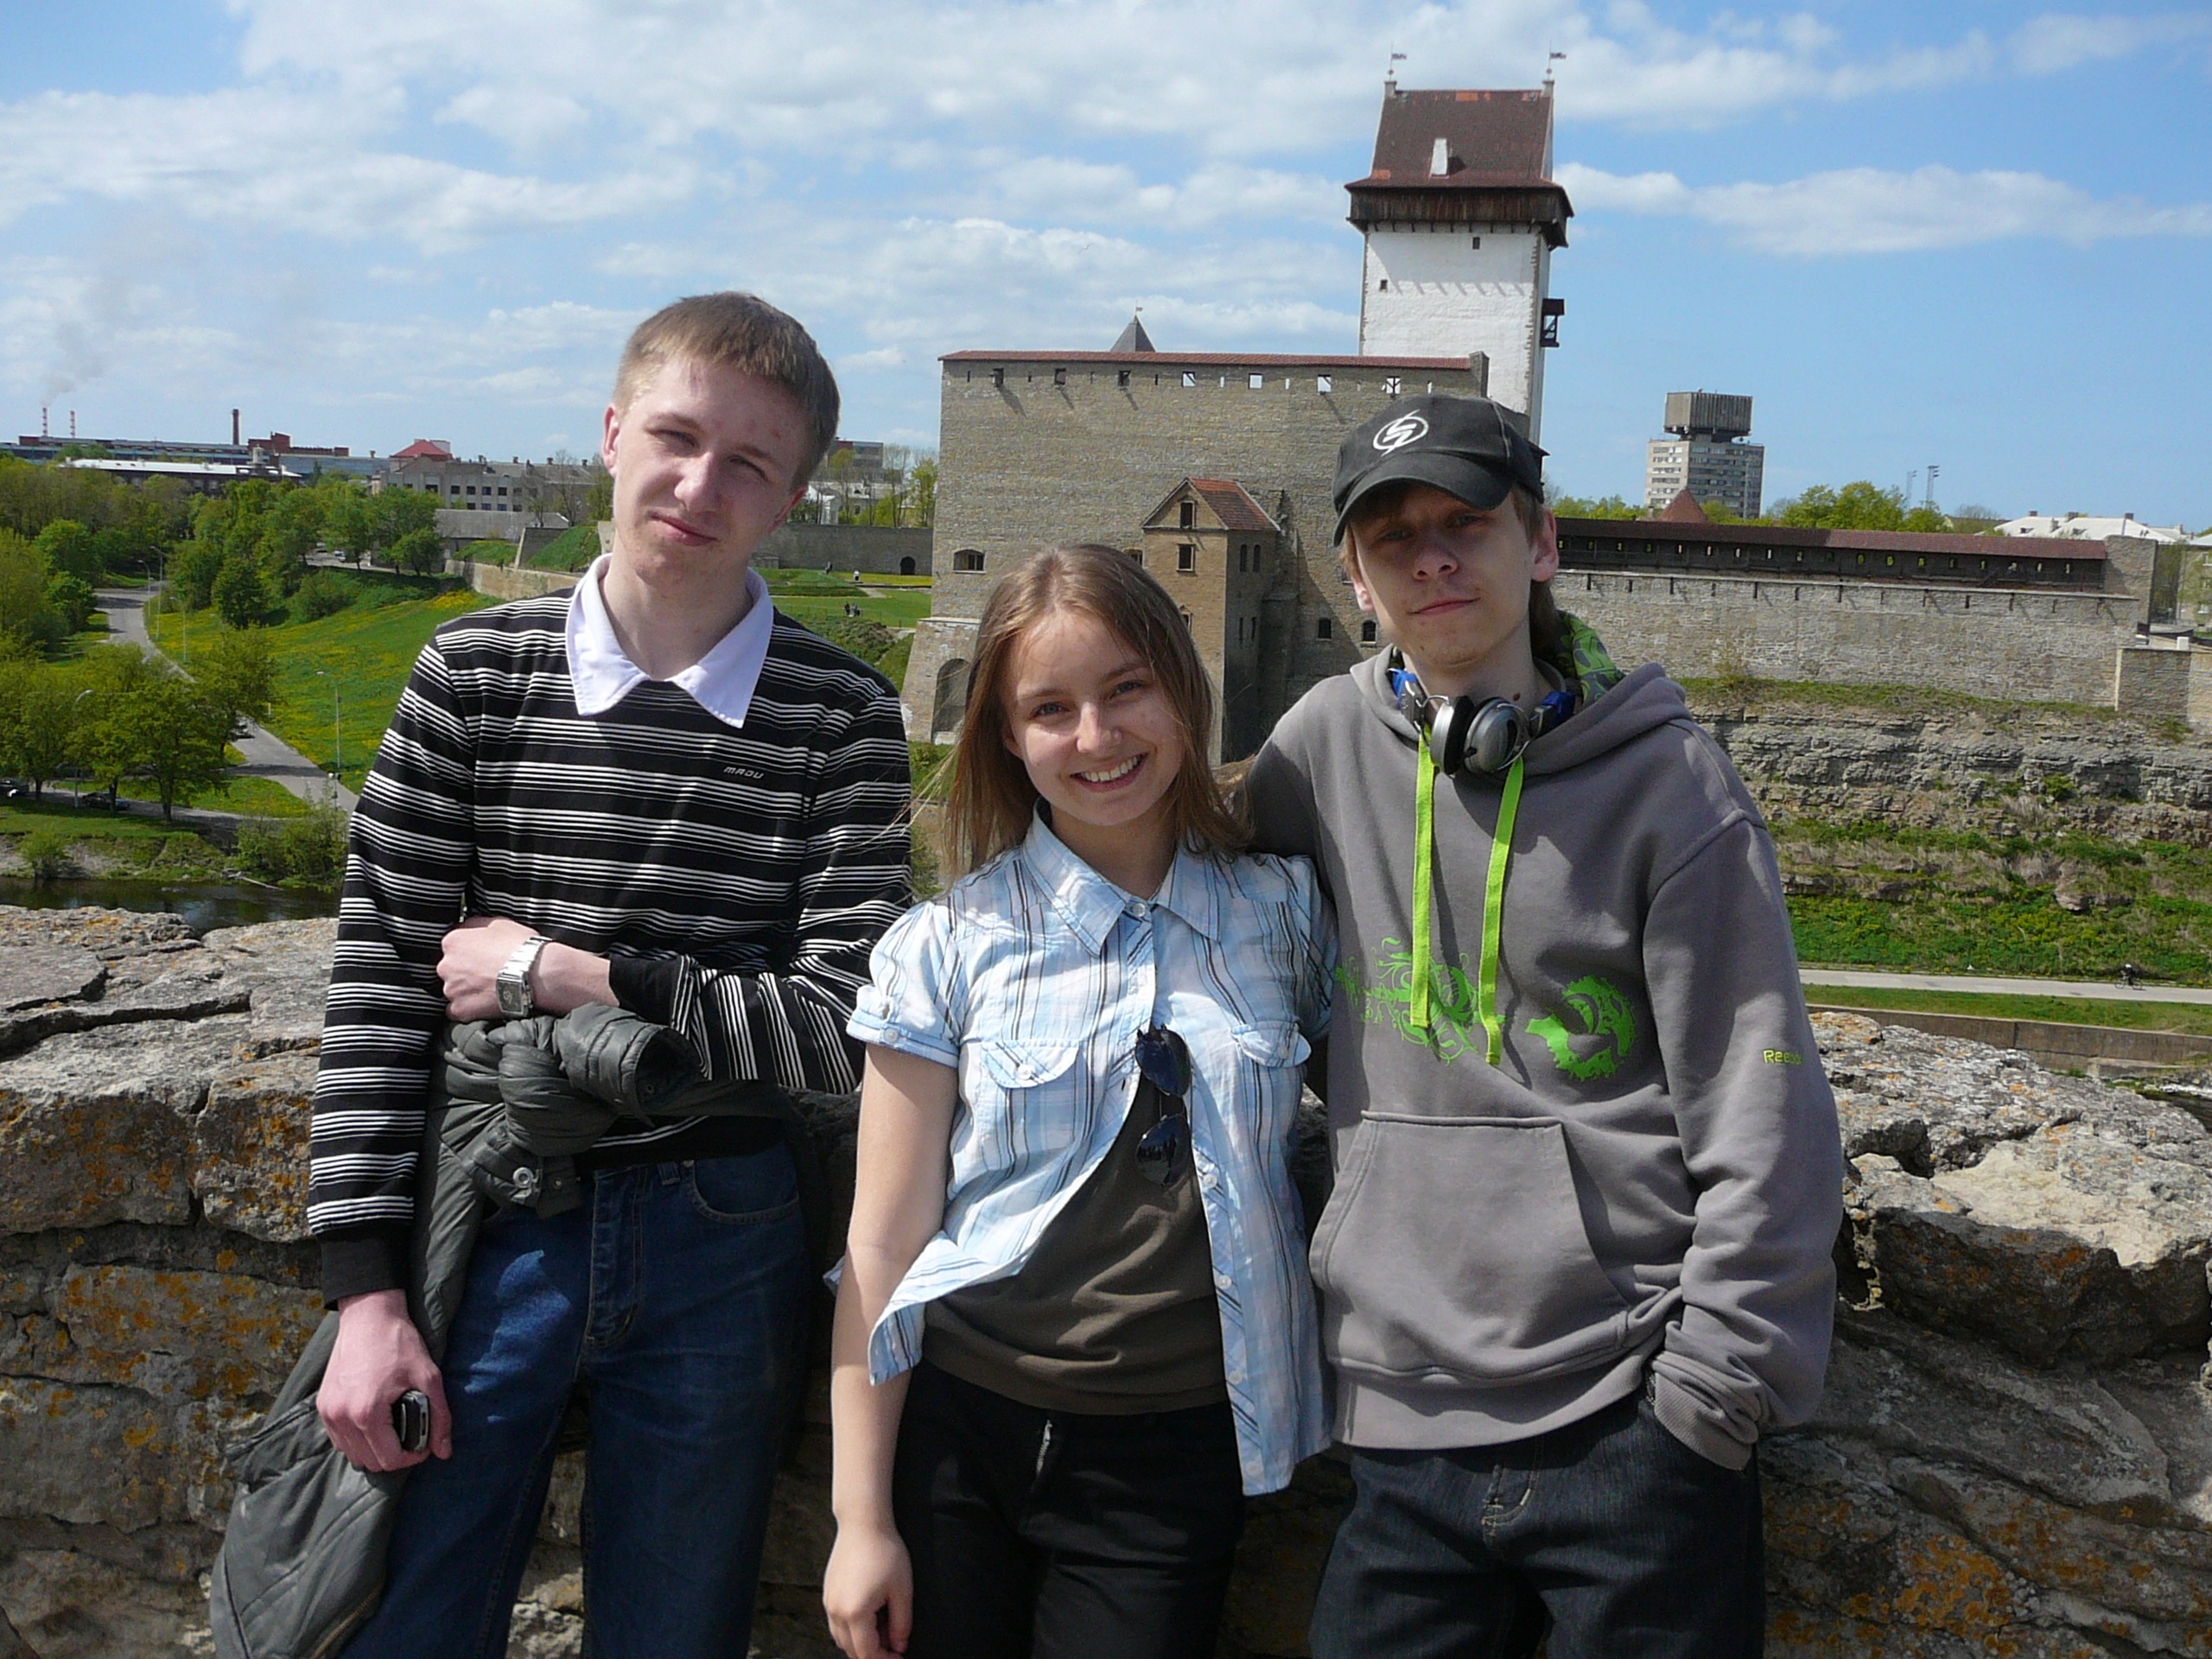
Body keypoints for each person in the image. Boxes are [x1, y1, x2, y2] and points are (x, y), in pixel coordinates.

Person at [308, 291, 914, 1657]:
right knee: (411, 1621)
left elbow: (842, 1031)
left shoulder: (838, 715)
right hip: (493, 1208)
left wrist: (566, 974)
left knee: (672, 1635)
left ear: (795, 497)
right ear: (611, 434)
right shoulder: (473, 674)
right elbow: (381, 989)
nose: (700, 486)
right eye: (676, 438)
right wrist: (366, 1293)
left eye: (749, 463)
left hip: (725, 1229)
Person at [1245, 394, 1843, 1657]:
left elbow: (1765, 1108)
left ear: (1543, 544)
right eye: (1394, 538)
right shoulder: (1317, 751)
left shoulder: (1672, 787)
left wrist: (1707, 1398)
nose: (1432, 559)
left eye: (1465, 522)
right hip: (1399, 1428)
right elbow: (1163, 864)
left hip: (1634, 1425)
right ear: (1355, 578)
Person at [822, 545, 1335, 1659]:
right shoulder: (946, 944)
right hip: (962, 1438)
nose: (1097, 738)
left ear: (1182, 690)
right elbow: (884, 1242)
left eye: (1126, 689)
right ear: (1007, 736)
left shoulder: (1284, 912)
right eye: (1050, 709)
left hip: (1175, 1450)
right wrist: (861, 1519)